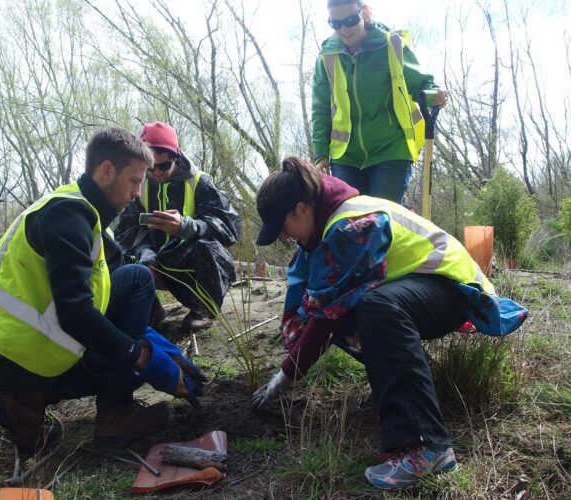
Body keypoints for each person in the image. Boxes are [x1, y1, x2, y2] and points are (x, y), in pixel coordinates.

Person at [251, 157, 527, 491]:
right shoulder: (327, 225)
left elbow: (328, 318)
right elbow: (317, 307)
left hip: (456, 290)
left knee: (372, 307)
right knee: (347, 310)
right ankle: (402, 391)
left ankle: (427, 449)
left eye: (282, 227)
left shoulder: (353, 225)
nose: (283, 237)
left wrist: (286, 374)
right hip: (421, 291)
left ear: (302, 209)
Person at [0, 127, 206, 458]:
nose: (138, 193)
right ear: (107, 170)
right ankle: (115, 417)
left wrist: (162, 349)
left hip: (14, 349)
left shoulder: (86, 214)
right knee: (137, 284)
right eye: (134, 181)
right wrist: (141, 356)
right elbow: (76, 313)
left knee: (132, 278)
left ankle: (22, 402)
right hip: (15, 354)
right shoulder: (68, 216)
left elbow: (109, 302)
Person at [312, 0, 448, 204]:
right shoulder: (327, 56)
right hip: (345, 156)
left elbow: (421, 82)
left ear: (364, 12)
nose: (344, 29)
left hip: (390, 151)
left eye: (350, 20)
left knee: (383, 221)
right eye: (336, 23)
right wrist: (321, 154)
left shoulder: (390, 45)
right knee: (351, 223)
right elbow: (320, 109)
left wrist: (434, 94)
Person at [115, 122, 241, 330]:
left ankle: (203, 310)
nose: (157, 172)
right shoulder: (140, 185)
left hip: (190, 258)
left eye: (163, 166)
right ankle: (151, 310)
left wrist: (186, 226)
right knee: (115, 253)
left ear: (177, 156)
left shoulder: (200, 182)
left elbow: (228, 228)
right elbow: (127, 230)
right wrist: (145, 253)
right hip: (154, 260)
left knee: (205, 247)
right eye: (151, 167)